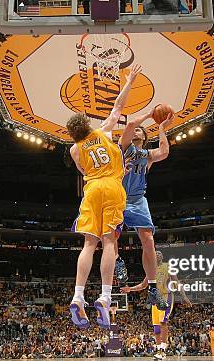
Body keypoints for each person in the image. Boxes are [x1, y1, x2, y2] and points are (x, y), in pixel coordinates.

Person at [68, 65, 142, 330]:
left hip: (91, 189)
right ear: (87, 125)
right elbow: (118, 107)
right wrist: (130, 81)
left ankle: (78, 296)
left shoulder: (74, 150)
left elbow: (83, 170)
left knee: (89, 244)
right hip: (112, 186)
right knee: (109, 242)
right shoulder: (103, 131)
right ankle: (105, 296)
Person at [114, 109, 174, 311]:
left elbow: (164, 152)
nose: (137, 131)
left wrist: (162, 128)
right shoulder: (123, 147)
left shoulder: (147, 156)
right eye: (136, 130)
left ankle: (153, 289)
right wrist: (150, 114)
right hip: (118, 198)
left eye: (141, 131)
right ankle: (118, 263)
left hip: (138, 200)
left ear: (145, 137)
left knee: (148, 240)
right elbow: (130, 126)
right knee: (111, 236)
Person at [121, 250, 191, 360]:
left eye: (159, 253)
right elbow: (143, 285)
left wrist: (184, 296)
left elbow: (176, 282)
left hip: (165, 297)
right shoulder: (150, 270)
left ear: (162, 257)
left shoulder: (168, 266)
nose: (157, 254)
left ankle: (163, 349)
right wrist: (130, 289)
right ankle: (159, 350)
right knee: (156, 329)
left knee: (163, 322)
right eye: (155, 253)